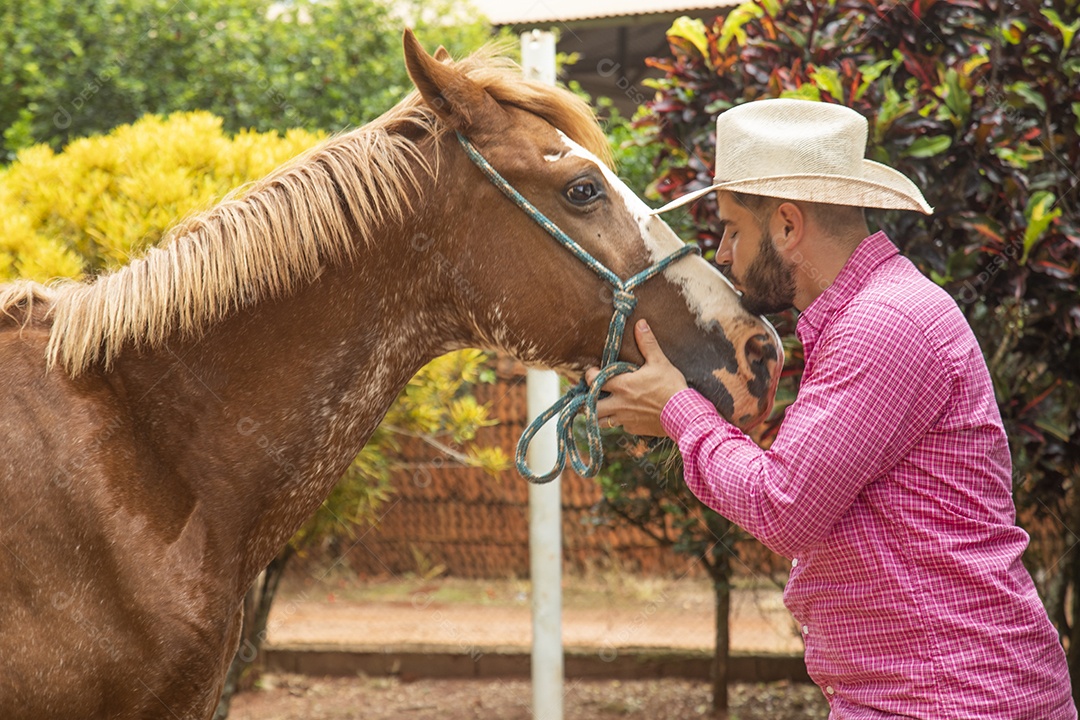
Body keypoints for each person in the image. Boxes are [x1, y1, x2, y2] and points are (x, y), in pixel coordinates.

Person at [587, 98, 1076, 719]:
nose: (722, 254)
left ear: (788, 226)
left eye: (733, 229)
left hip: (952, 699)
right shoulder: (870, 316)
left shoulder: (882, 325)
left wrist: (678, 413)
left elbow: (781, 506)